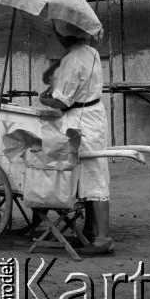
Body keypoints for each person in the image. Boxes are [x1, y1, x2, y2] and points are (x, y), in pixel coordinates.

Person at [39, 31, 113, 257]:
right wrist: (52, 70)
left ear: (63, 36)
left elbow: (61, 102)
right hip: (93, 116)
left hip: (81, 119)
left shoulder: (72, 60)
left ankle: (102, 238)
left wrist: (44, 98)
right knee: (91, 173)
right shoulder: (90, 51)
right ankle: (91, 230)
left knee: (93, 174)